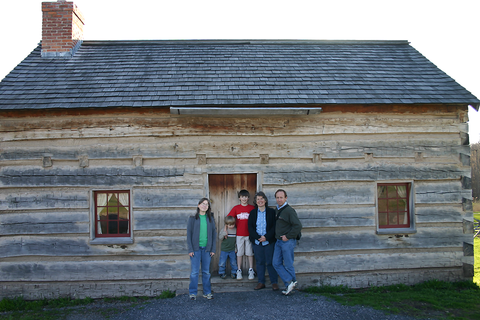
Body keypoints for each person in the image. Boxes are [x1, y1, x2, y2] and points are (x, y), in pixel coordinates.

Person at [272, 189, 302, 295]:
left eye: (281, 197)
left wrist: (288, 236)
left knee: (288, 264)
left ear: (286, 198)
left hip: (287, 242)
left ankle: (291, 287)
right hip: (278, 242)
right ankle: (290, 282)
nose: (279, 199)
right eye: (277, 197)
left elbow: (298, 225)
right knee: (276, 263)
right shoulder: (277, 209)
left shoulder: (289, 211)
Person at [248, 191, 279, 291]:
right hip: (257, 242)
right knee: (260, 262)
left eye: (262, 199)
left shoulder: (271, 212)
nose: (260, 201)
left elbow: (274, 226)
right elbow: (250, 227)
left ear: (265, 200)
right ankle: (261, 282)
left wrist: (266, 237)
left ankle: (274, 282)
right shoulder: (253, 213)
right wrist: (257, 237)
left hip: (269, 241)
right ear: (255, 202)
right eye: (258, 199)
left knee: (270, 262)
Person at [187, 197, 217, 300]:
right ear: (198, 205)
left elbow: (214, 234)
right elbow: (189, 235)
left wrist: (213, 249)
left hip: (207, 249)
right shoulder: (192, 219)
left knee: (206, 272)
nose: (205, 206)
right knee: (194, 272)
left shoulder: (210, 219)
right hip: (195, 249)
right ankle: (192, 293)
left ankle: (207, 292)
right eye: (203, 204)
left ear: (208, 207)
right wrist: (190, 249)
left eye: (207, 204)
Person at [227, 189, 255, 280]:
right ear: (239, 198)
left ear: (248, 198)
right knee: (239, 253)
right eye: (242, 197)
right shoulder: (236, 208)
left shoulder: (252, 208)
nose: (244, 198)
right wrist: (225, 229)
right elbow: (229, 219)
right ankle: (239, 270)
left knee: (250, 252)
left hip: (249, 234)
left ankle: (251, 270)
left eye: (246, 197)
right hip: (239, 234)